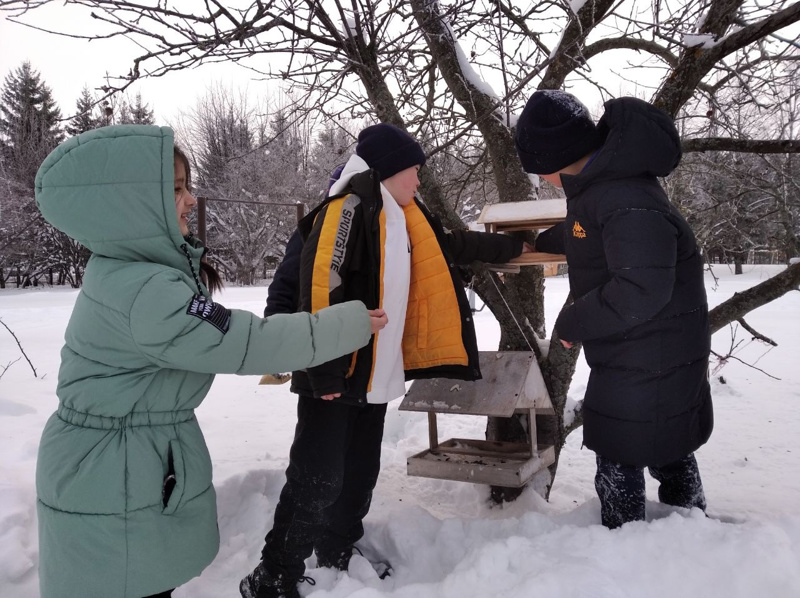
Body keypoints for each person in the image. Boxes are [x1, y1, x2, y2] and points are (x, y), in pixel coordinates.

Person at [33, 124, 387, 598]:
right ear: (134, 204)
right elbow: (245, 341)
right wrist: (346, 325)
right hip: (112, 472)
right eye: (176, 189)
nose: (189, 199)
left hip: (116, 461)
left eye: (186, 185)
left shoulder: (130, 270)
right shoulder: (147, 292)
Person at [241, 123, 530, 598]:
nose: (418, 181)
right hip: (332, 371)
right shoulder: (340, 214)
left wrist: (516, 246)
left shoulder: (405, 219)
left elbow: (452, 247)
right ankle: (274, 574)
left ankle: (337, 550)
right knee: (317, 478)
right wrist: (315, 367)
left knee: (358, 474)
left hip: (375, 376)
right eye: (413, 171)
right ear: (389, 171)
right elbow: (308, 287)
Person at [514, 90, 713, 528]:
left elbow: (640, 287)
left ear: (551, 157)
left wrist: (574, 320)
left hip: (651, 353)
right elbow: (588, 232)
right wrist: (543, 241)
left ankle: (628, 548)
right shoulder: (608, 186)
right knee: (666, 442)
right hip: (648, 349)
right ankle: (690, 534)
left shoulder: (624, 195)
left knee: (622, 451)